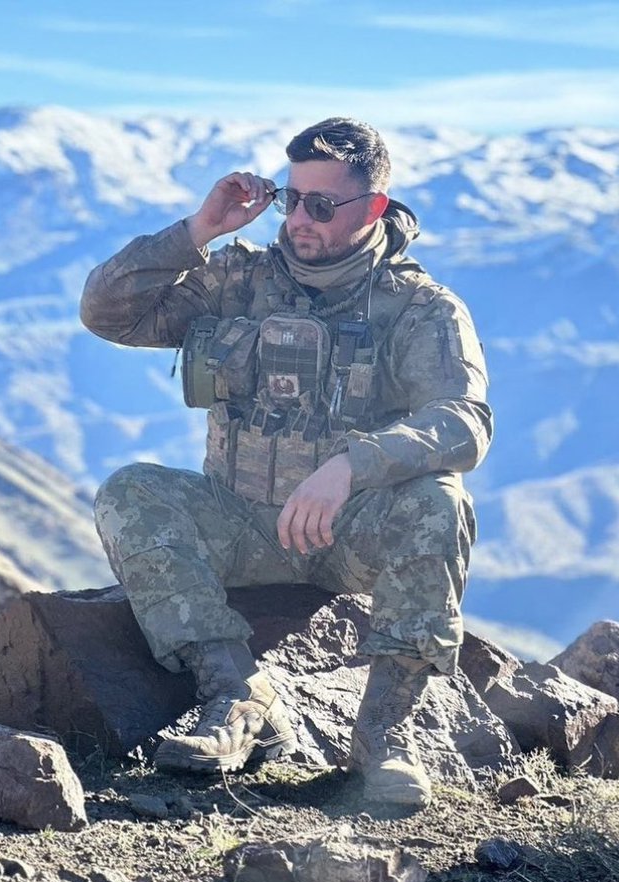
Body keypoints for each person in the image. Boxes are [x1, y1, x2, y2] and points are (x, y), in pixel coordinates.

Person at [80, 117, 491, 811]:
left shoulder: (418, 307)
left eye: (322, 205)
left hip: (346, 531)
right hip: (238, 518)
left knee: (440, 502)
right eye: (290, 199)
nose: (300, 218)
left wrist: (353, 465)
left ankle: (384, 733)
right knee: (130, 492)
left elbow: (464, 422)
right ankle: (235, 695)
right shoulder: (236, 278)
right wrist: (196, 230)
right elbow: (105, 313)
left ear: (375, 208)